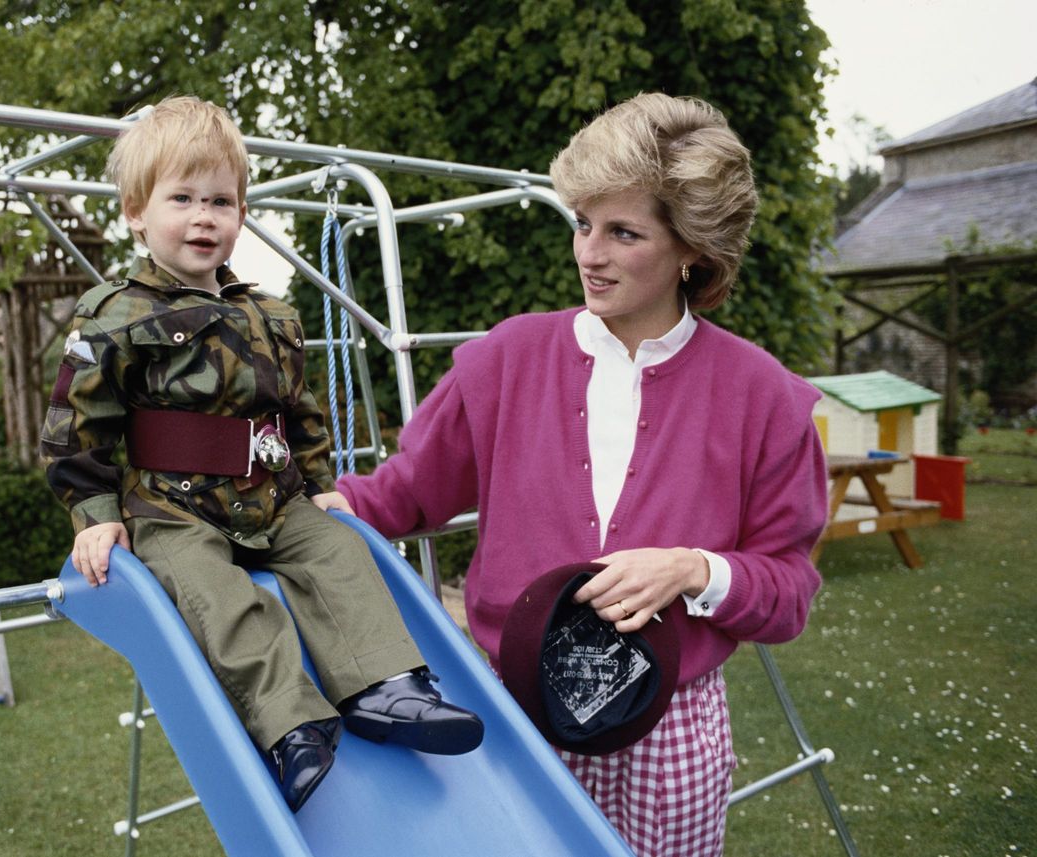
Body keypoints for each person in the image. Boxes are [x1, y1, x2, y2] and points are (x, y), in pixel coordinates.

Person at [313, 92, 828, 854]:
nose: (589, 252)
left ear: (692, 248)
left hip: (672, 732)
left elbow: (788, 594)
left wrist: (691, 569)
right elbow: (400, 494)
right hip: (513, 712)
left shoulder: (766, 399)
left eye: (624, 232)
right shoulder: (502, 361)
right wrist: (304, 509)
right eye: (584, 222)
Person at [40, 95, 482, 813]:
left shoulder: (273, 314)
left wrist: (318, 484)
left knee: (340, 552)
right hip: (173, 509)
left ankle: (386, 688)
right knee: (219, 595)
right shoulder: (113, 315)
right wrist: (93, 514)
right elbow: (74, 426)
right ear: (135, 211)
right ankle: (291, 725)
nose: (203, 216)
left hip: (271, 497)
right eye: (181, 198)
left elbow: (300, 415)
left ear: (242, 212)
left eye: (221, 200)